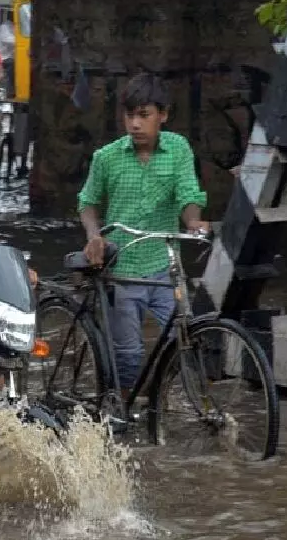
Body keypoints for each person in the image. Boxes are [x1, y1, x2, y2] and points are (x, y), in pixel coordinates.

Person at [78, 73, 209, 398]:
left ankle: (162, 406)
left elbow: (188, 193)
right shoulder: (106, 157)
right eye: (130, 115)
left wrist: (194, 221)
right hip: (120, 269)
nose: (135, 124)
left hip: (165, 267)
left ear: (162, 115)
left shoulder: (178, 149)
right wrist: (94, 236)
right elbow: (87, 202)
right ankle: (123, 411)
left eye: (144, 115)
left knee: (184, 340)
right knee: (129, 354)